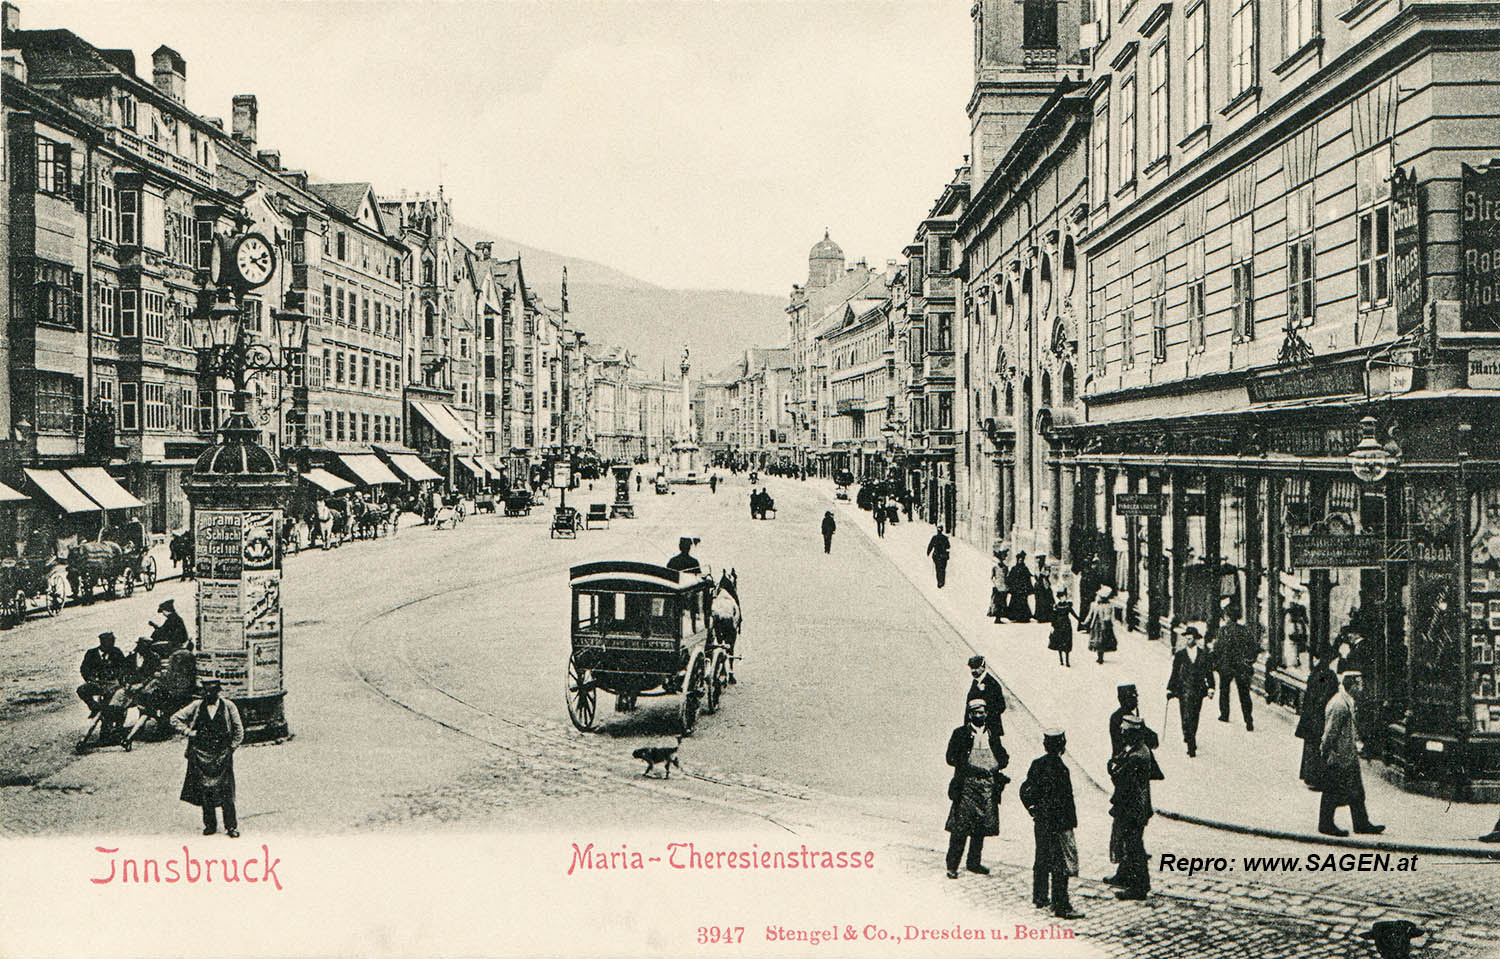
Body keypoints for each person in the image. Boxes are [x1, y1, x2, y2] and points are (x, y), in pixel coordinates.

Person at [1019, 729, 1083, 919]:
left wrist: (1032, 808)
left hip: (1041, 821)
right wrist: (1070, 824)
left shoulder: (1037, 764)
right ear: (1063, 746)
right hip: (1059, 824)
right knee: (1060, 864)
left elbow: (1025, 789)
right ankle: (1061, 905)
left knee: (1041, 857)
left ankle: (1039, 896)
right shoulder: (1062, 770)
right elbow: (1065, 801)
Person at [943, 699, 1010, 878]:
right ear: (970, 714)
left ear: (987, 713)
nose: (979, 715)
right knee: (961, 827)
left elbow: (1003, 756)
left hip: (987, 786)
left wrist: (999, 763)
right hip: (966, 785)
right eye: (975, 712)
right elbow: (950, 758)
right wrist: (969, 767)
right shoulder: (960, 733)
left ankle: (974, 862)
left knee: (981, 826)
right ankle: (952, 866)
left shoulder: (992, 734)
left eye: (982, 712)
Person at [172, 680, 244, 837]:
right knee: (206, 790)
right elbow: (175, 718)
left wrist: (231, 748)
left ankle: (231, 826)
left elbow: (239, 730)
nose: (208, 696)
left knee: (226, 790)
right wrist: (189, 732)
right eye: (205, 692)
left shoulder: (229, 706)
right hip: (201, 754)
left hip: (222, 754)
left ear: (218, 692)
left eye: (211, 692)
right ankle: (210, 825)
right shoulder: (197, 705)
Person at [1318, 671, 1384, 836]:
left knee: (1357, 792)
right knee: (1332, 791)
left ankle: (1361, 823)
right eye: (1359, 684)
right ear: (1352, 685)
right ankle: (1325, 824)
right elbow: (1330, 732)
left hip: (1348, 754)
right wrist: (1326, 752)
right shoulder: (1339, 705)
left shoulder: (1346, 701)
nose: (1361, 688)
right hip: (1339, 755)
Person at [1107, 716, 1165, 900]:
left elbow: (1120, 778)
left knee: (1134, 846)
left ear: (1133, 734)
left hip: (1133, 809)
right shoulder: (1136, 749)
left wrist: (1113, 769)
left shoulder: (1137, 756)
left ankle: (1140, 887)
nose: (1122, 735)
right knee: (1128, 841)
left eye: (1125, 732)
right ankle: (1123, 876)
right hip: (1134, 806)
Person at [1166, 625, 1215, 757]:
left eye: (1190, 637)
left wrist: (1211, 687)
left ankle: (1190, 733)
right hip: (1184, 689)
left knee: (1195, 714)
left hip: (1198, 689)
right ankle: (1190, 742)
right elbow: (1175, 672)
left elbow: (1208, 672)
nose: (1188, 640)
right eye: (1186, 637)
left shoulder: (1203, 655)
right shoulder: (1180, 655)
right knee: (1186, 714)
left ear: (1195, 639)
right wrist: (1170, 689)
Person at [1297, 651, 1341, 788]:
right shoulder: (1326, 675)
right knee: (1317, 746)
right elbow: (1324, 694)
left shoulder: (1317, 673)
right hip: (1318, 716)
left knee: (1312, 745)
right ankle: (1316, 778)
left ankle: (1310, 776)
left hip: (1311, 715)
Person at [1214, 603, 1259, 731]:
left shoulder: (1223, 631)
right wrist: (1249, 662)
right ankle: (1248, 720)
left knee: (1224, 691)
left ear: (1227, 616)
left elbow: (1217, 649)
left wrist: (1216, 664)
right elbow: (1254, 648)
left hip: (1226, 666)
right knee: (1244, 694)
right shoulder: (1245, 631)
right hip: (1241, 667)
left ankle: (1224, 714)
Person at [77, 631, 127, 716]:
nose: (112, 644)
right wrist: (90, 679)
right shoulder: (91, 654)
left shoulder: (116, 652)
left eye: (113, 641)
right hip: (98, 683)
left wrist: (119, 679)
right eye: (110, 642)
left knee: (112, 704)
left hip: (113, 684)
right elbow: (84, 669)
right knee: (82, 690)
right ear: (102, 642)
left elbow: (124, 667)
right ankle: (95, 707)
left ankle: (111, 720)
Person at [1108, 683, 1159, 758]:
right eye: (1133, 697)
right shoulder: (1126, 719)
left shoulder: (1119, 716)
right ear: (1124, 699)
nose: (1136, 699)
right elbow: (1151, 740)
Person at [965, 655, 1007, 734]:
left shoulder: (993, 684)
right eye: (971, 668)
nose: (973, 671)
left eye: (976, 668)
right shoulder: (975, 682)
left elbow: (1001, 706)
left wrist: (985, 717)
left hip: (990, 729)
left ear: (983, 667)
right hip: (974, 729)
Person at [1081, 585, 1118, 664]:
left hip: (1104, 625)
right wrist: (1085, 622)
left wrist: (1107, 620)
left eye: (1098, 596)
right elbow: (1090, 615)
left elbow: (1109, 615)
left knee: (1102, 640)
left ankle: (1101, 656)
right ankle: (1099, 655)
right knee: (1097, 640)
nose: (1096, 597)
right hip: (1096, 625)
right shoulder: (1094, 605)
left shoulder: (1108, 605)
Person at [1048, 589, 1076, 667]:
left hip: (1066, 625)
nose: (1064, 598)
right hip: (1058, 625)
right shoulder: (1056, 606)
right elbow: (1053, 617)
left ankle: (1067, 661)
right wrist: (1052, 625)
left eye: (1064, 596)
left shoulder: (1068, 605)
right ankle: (1061, 660)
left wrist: (1080, 620)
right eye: (1062, 597)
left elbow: (1073, 613)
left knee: (1067, 642)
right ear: (1059, 598)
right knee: (1060, 643)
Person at [1005, 552, 1033, 622]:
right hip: (1016, 589)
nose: (1020, 561)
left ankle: (1023, 617)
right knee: (1015, 602)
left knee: (1023, 602)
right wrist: (1010, 586)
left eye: (1022, 560)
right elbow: (1010, 578)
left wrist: (1029, 588)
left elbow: (1028, 579)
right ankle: (1015, 616)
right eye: (1019, 560)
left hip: (1023, 589)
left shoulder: (1025, 568)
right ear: (1017, 560)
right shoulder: (1014, 568)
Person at [989, 549, 1009, 624]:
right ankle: (997, 617)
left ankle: (1000, 617)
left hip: (1003, 587)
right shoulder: (995, 567)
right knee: (997, 602)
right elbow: (992, 577)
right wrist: (995, 584)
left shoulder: (1005, 567)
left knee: (1002, 602)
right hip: (997, 586)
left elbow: (1007, 577)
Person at [1033, 555, 1055, 623]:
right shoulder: (1036, 567)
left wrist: (1041, 575)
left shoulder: (1046, 567)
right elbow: (1036, 575)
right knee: (1039, 601)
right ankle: (1040, 616)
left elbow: (1046, 574)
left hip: (1045, 585)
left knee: (1046, 600)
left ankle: (1047, 616)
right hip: (1038, 585)